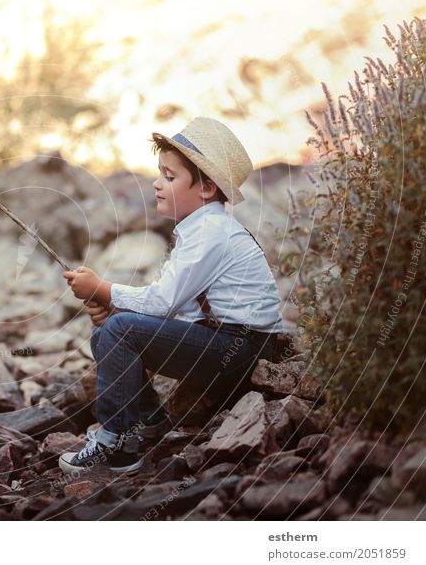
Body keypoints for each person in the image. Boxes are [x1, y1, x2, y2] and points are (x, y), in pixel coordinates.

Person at [59, 116, 285, 475]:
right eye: (159, 173)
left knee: (120, 331)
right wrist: (114, 307)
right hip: (224, 342)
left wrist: (102, 289)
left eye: (169, 176)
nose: (157, 183)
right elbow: (172, 308)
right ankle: (147, 421)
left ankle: (116, 443)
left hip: (241, 348)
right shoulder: (200, 228)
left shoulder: (212, 231)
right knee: (112, 329)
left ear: (207, 189)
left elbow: (163, 302)